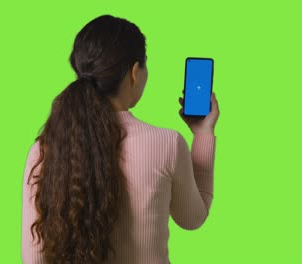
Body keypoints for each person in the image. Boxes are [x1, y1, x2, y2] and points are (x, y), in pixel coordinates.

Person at [21, 14, 219, 264]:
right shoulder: (167, 143)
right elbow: (192, 218)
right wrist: (203, 134)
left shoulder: (43, 150)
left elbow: (34, 258)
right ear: (135, 72)